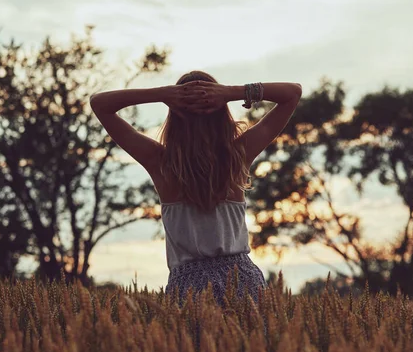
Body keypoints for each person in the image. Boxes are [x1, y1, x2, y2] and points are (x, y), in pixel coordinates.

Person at [90, 71, 302, 305]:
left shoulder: (160, 163)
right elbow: (292, 93)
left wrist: (161, 94)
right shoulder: (238, 156)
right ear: (222, 114)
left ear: (174, 116)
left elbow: (100, 104)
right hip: (243, 281)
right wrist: (232, 92)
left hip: (189, 288)